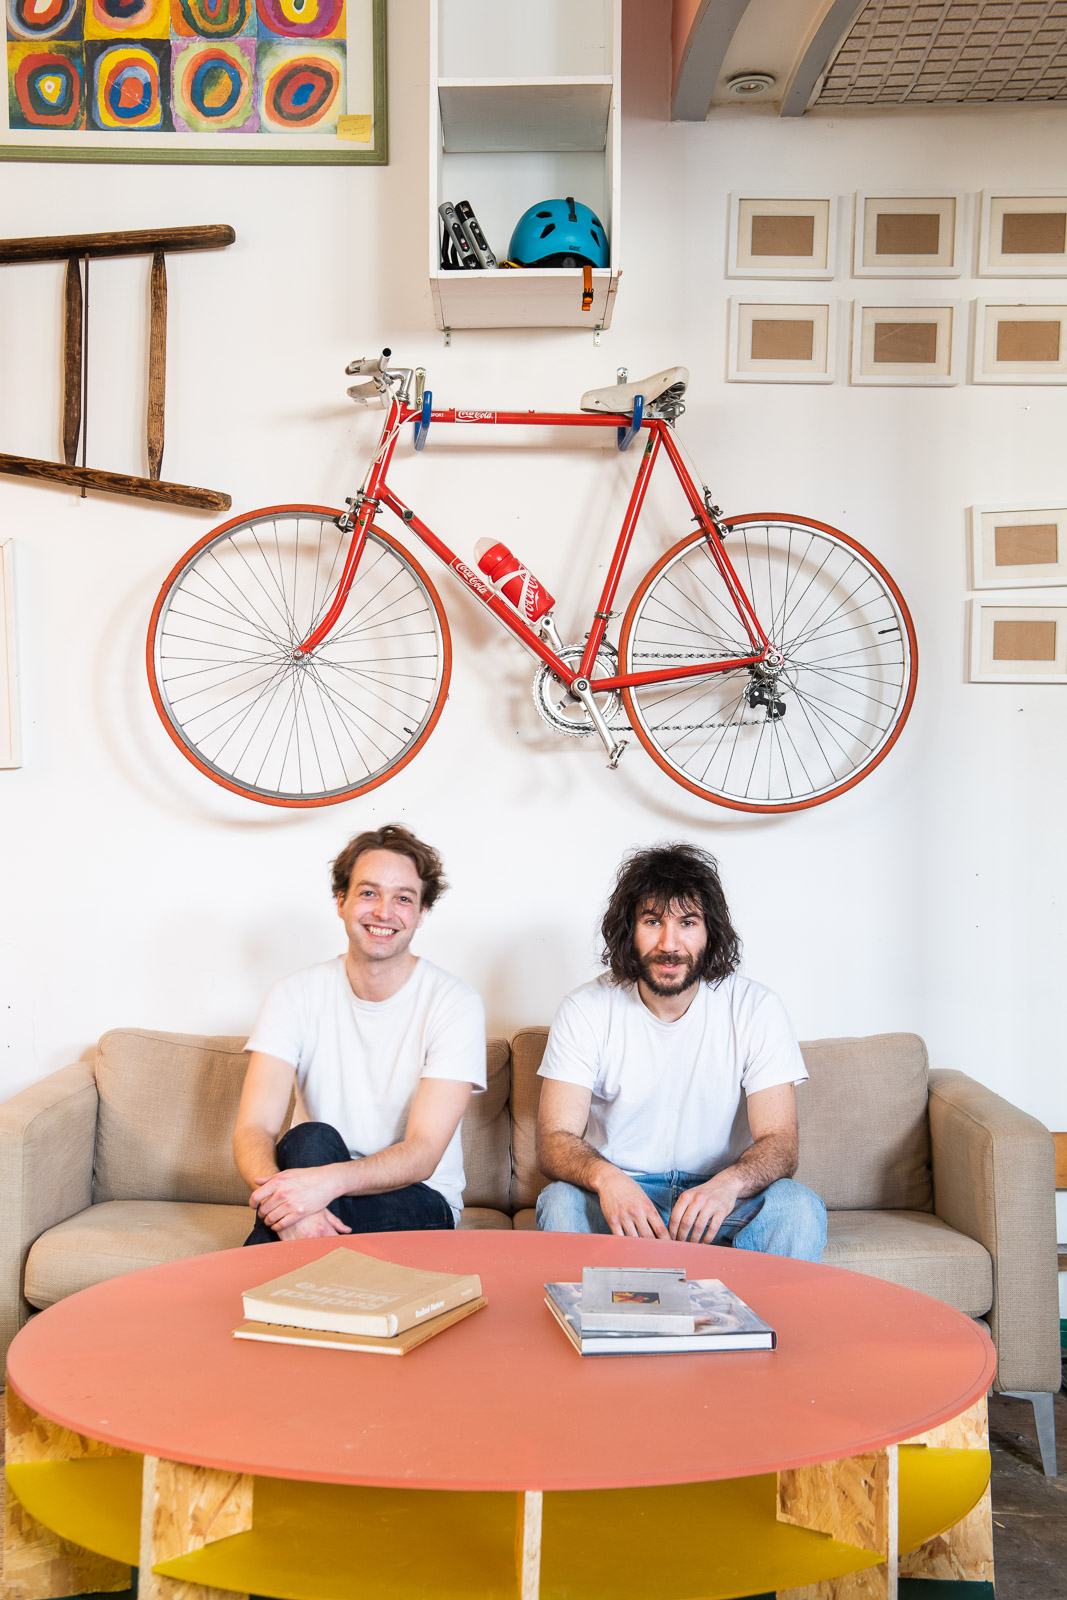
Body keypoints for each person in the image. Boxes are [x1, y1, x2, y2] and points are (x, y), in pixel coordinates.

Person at [535, 842, 826, 1260]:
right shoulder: (585, 1009)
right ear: (629, 931)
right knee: (560, 1201)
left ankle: (769, 1326)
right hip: (623, 1196)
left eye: (687, 922)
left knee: (797, 1207)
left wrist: (728, 1185)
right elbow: (554, 1139)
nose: (670, 944)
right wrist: (608, 1180)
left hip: (722, 1197)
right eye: (652, 921)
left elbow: (780, 1143)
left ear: (710, 931)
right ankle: (587, 1324)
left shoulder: (756, 1008)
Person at [235, 824, 485, 1244]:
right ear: (341, 902)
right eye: (368, 893)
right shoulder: (294, 994)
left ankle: (249, 1289)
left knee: (308, 1177)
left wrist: (322, 1188)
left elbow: (423, 1152)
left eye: (403, 898)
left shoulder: (454, 1003)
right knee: (311, 1138)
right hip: (311, 1171)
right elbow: (254, 1128)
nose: (384, 912)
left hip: (418, 1197)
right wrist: (289, 1206)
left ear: (422, 914)